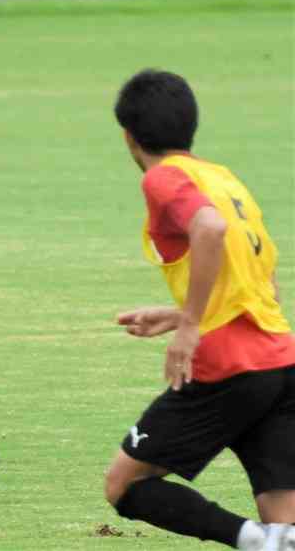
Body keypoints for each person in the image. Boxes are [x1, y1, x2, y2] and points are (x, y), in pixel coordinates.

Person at [104, 69, 295, 549]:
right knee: (287, 530)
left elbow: (208, 229)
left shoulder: (164, 178)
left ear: (128, 136)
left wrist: (189, 326)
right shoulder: (222, 178)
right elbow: (262, 279)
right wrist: (177, 313)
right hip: (279, 361)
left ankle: (249, 538)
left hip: (227, 365)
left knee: (125, 485)